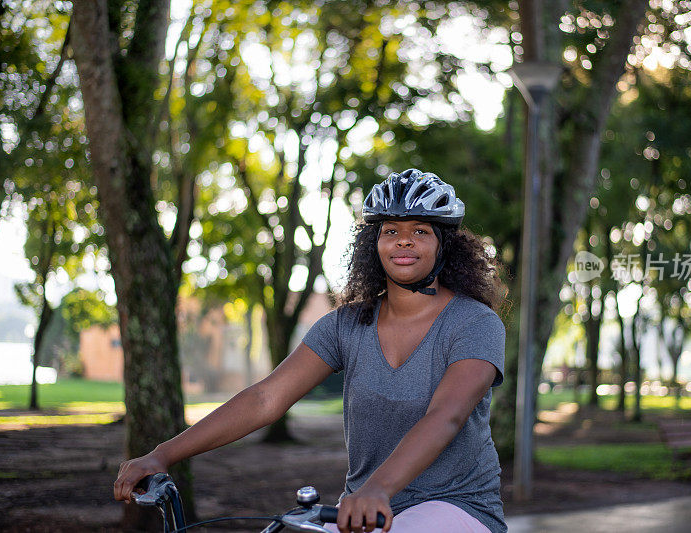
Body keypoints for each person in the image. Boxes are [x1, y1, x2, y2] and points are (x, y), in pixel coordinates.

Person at [114, 169, 508, 533]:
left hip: (457, 507)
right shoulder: (346, 325)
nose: (404, 240)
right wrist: (162, 455)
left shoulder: (474, 323)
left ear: (444, 246)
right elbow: (265, 398)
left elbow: (447, 415)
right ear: (375, 244)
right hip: (363, 510)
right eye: (390, 230)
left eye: (421, 230)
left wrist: (378, 489)